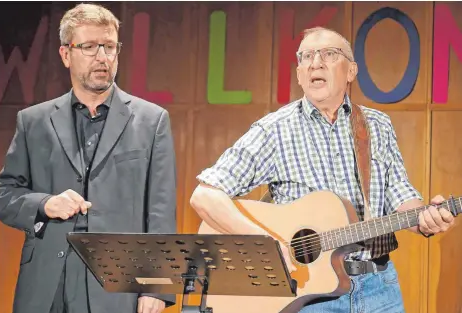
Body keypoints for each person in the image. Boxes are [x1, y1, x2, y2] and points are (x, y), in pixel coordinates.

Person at [189, 27, 455, 312]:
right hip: (309, 294)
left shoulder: (378, 125)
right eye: (306, 57)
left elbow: (400, 196)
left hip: (380, 288)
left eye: (329, 54)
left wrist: (424, 219)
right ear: (299, 74)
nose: (316, 62)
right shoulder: (274, 130)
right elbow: (204, 197)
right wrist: (266, 243)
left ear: (351, 71)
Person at [0, 4, 176, 313]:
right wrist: (44, 204)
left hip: (118, 287)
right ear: (66, 54)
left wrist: (157, 286)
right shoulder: (34, 121)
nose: (102, 57)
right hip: (45, 284)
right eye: (90, 47)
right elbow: (4, 196)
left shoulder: (152, 121)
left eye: (109, 47)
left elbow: (161, 211)